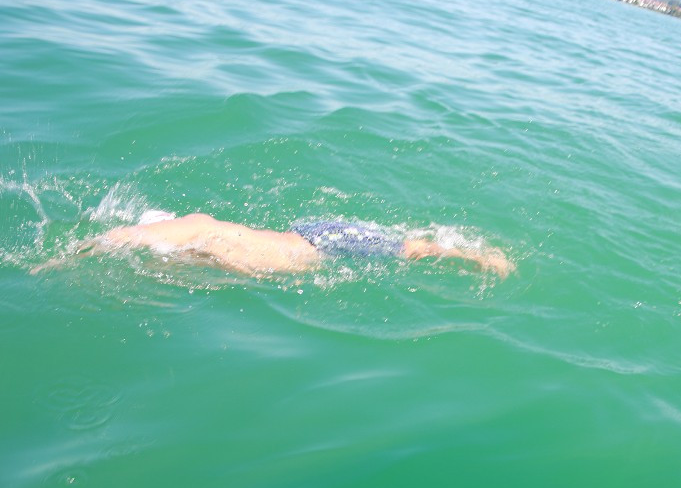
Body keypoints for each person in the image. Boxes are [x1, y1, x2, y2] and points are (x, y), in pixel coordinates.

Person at [33, 211, 515, 278]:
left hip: (322, 240)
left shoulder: (196, 231)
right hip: (304, 240)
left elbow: (118, 240)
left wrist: (48, 263)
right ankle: (474, 253)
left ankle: (475, 254)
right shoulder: (194, 232)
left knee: (407, 250)